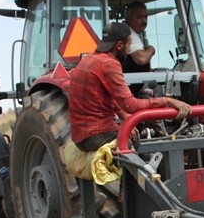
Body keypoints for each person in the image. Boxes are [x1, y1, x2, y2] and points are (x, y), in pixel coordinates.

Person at [69, 22, 191, 153]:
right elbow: (130, 105)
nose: (129, 49)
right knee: (133, 142)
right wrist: (168, 101)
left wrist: (126, 118)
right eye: (129, 44)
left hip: (80, 137)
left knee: (130, 131)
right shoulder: (109, 63)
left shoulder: (89, 59)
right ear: (120, 45)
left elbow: (107, 99)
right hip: (96, 135)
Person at [122, 1, 155, 74]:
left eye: (145, 17)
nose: (144, 21)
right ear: (129, 19)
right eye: (139, 17)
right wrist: (151, 49)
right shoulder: (128, 33)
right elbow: (141, 59)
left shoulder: (128, 31)